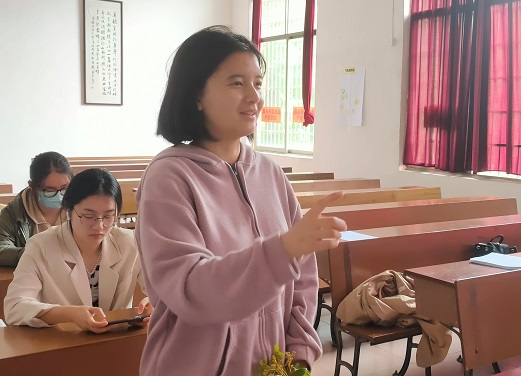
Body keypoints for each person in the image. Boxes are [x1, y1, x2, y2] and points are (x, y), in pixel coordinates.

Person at [135, 25, 347, 375]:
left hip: (268, 365)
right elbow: (190, 288)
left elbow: (303, 279)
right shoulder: (168, 177)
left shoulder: (270, 173)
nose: (255, 97)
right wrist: (282, 250)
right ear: (197, 95)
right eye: (236, 83)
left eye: (258, 83)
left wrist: (298, 353)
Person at [4, 168, 152, 332]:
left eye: (108, 216)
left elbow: (161, 290)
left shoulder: (130, 242)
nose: (99, 226)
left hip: (117, 340)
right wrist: (69, 314)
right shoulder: (40, 246)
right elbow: (15, 307)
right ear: (68, 210)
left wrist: (154, 304)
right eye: (88, 217)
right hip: (61, 342)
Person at [0, 151, 73, 267]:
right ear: (32, 185)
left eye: (65, 188)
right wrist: (39, 253)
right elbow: (2, 250)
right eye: (49, 190)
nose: (59, 196)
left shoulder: (80, 208)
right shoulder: (13, 214)